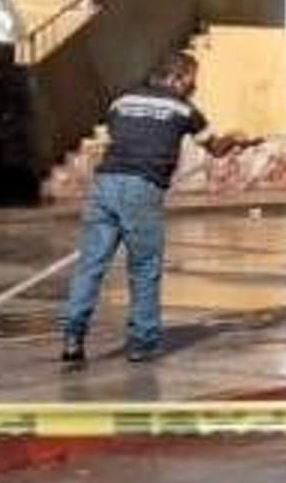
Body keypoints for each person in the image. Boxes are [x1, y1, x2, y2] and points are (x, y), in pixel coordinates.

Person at [59, 50, 242, 365]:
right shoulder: (184, 110)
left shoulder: (122, 100)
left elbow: (123, 134)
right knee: (144, 268)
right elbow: (215, 148)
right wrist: (238, 139)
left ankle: (72, 338)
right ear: (178, 77)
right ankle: (142, 343)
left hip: (104, 184)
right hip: (141, 187)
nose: (193, 87)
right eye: (191, 80)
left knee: (91, 265)